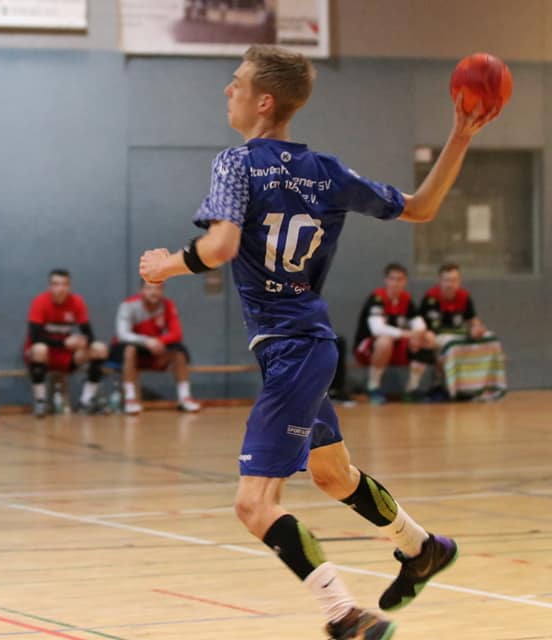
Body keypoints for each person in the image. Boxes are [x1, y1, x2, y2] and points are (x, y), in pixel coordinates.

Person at [139, 45, 498, 639]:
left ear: (264, 101)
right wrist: (459, 137)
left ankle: (343, 614)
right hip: (309, 344)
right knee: (332, 473)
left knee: (253, 505)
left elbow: (221, 246)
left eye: (236, 82)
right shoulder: (325, 170)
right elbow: (421, 208)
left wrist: (165, 266)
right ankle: (422, 548)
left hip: (292, 350)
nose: (227, 90)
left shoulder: (236, 163)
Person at [25, 269, 107, 417]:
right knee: (39, 348)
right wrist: (64, 343)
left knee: (99, 348)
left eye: (64, 284)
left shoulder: (77, 302)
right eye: (56, 284)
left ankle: (86, 401)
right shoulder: (40, 302)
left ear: (69, 286)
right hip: (45, 356)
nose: (60, 288)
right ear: (50, 286)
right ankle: (40, 402)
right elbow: (35, 336)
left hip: (67, 356)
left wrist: (82, 341)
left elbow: (90, 335)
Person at [109, 282, 201, 415]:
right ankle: (130, 399)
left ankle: (185, 398)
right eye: (149, 288)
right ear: (141, 290)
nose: (154, 292)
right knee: (130, 349)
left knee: (179, 352)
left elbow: (177, 333)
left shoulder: (168, 305)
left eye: (158, 288)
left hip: (154, 349)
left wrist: (158, 341)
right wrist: (147, 341)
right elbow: (122, 334)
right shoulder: (128, 305)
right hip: (128, 349)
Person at [353, 263, 437, 404]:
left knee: (428, 338)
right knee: (384, 341)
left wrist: (418, 335)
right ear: (386, 280)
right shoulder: (377, 298)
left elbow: (420, 324)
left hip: (396, 346)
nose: (396, 283)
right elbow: (377, 329)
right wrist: (409, 334)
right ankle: (373, 387)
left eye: (400, 279)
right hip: (368, 348)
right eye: (392, 279)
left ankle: (412, 388)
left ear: (405, 281)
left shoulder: (406, 299)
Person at [420, 263, 506, 400]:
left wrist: (477, 329)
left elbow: (473, 320)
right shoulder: (431, 298)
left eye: (454, 280)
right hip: (438, 336)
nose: (450, 284)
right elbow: (422, 326)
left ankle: (485, 386)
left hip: (460, 336)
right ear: (440, 281)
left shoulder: (464, 296)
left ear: (459, 281)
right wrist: (427, 335)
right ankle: (447, 387)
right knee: (449, 345)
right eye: (447, 280)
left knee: (491, 339)